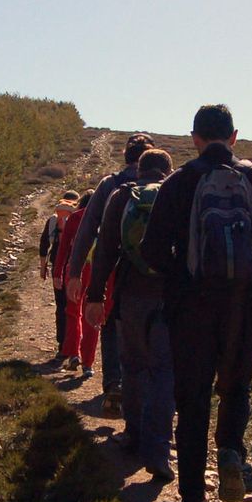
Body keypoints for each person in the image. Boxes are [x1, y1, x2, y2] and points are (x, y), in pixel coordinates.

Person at [141, 105, 252, 502]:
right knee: (236, 387)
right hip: (245, 306)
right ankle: (230, 450)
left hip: (191, 308)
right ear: (233, 137)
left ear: (194, 138)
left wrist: (178, 276)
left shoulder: (180, 182)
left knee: (192, 401)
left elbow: (153, 251)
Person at [84, 148, 176, 481]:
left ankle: (134, 435)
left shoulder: (122, 196)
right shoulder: (175, 194)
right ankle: (159, 450)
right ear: (167, 169)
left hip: (130, 297)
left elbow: (105, 249)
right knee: (163, 372)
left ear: (139, 169)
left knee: (133, 367)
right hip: (169, 298)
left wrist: (96, 296)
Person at [66, 133, 154, 415]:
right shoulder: (166, 184)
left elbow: (87, 229)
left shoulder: (111, 184)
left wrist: (75, 271)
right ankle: (150, 389)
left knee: (112, 326)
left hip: (113, 266)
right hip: (156, 271)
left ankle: (115, 383)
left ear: (126, 156)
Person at [55, 201, 100, 376]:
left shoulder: (75, 218)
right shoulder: (102, 214)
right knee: (92, 316)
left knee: (73, 313)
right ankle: (88, 363)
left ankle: (74, 353)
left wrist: (57, 273)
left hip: (74, 270)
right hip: (97, 270)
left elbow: (63, 248)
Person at [39, 190, 80, 360]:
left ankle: (62, 344)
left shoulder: (53, 220)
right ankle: (74, 347)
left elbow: (43, 245)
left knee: (60, 306)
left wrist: (43, 268)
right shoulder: (78, 219)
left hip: (58, 267)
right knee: (74, 307)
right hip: (75, 266)